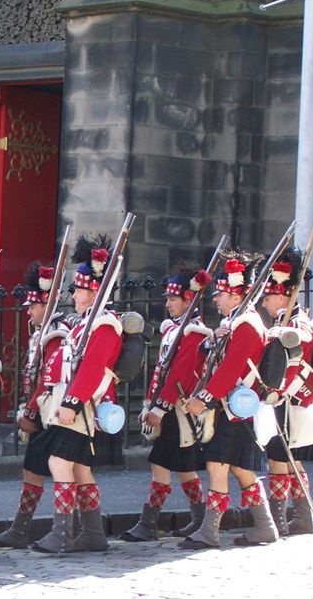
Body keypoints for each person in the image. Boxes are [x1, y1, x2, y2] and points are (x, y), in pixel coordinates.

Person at [32, 235, 123, 554]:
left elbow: (94, 369)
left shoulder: (105, 324)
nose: (74, 293)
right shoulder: (84, 324)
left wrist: (71, 402)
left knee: (59, 463)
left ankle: (62, 533)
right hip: (71, 405)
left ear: (95, 291)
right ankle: (93, 533)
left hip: (83, 407)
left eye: (79, 288)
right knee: (80, 469)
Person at [182, 251, 274, 549]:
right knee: (238, 468)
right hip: (230, 407)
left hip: (236, 408)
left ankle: (210, 531)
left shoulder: (246, 324)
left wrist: (205, 399)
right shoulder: (235, 323)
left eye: (221, 294)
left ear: (236, 296)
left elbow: (231, 368)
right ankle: (265, 526)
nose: (216, 299)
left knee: (217, 465)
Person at [121, 263, 212, 542]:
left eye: (173, 299)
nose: (168, 303)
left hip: (178, 409)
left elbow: (181, 374)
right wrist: (150, 402)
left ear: (189, 299)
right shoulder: (175, 329)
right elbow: (160, 371)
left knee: (160, 463)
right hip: (167, 406)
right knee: (184, 468)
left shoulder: (193, 332)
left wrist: (159, 408)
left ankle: (150, 523)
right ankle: (199, 518)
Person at [0, 261, 68, 548]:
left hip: (50, 413)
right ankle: (23, 528)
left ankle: (70, 529)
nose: (28, 310)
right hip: (43, 412)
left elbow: (50, 378)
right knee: (36, 470)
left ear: (46, 304)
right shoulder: (44, 332)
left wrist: (31, 409)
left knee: (64, 472)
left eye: (33, 305)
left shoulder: (57, 333)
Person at [259, 247, 313, 536]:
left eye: (267, 296)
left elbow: (299, 347)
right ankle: (302, 518)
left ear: (281, 295)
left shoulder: (295, 323)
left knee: (279, 461)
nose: (264, 302)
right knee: (290, 461)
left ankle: (279, 520)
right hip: (294, 400)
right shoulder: (285, 321)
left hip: (289, 400)